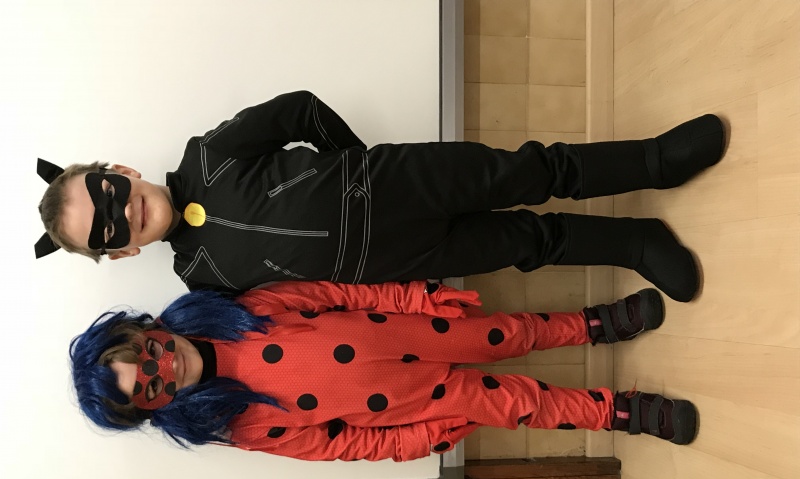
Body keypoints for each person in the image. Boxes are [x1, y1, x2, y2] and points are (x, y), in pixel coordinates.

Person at [36, 91, 724, 302]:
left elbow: (300, 109)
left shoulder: (208, 154)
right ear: (120, 253)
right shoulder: (201, 280)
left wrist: (355, 169)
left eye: (108, 193)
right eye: (106, 230)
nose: (122, 212)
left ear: (121, 171)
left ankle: (655, 160)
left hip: (398, 180)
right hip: (395, 260)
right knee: (525, 242)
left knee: (533, 172)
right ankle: (636, 244)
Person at [69, 280, 698, 462]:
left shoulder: (240, 310)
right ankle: (620, 411)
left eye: (146, 353)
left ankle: (593, 324)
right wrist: (419, 438)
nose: (163, 367)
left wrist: (416, 298)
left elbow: (336, 294)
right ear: (156, 409)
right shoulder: (241, 424)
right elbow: (339, 445)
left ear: (147, 329)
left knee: (512, 333)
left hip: (416, 331)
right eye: (149, 388)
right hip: (419, 402)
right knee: (518, 403)